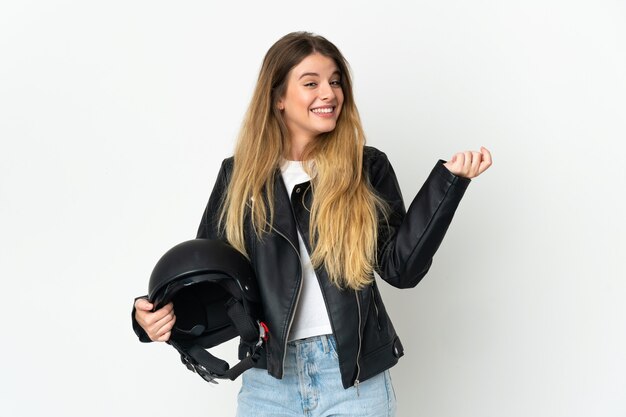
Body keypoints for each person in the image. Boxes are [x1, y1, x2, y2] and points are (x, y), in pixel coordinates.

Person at [132, 31, 492, 417]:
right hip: (269, 381)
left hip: (353, 382)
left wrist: (448, 184)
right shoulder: (238, 178)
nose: (330, 93)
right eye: (311, 83)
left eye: (335, 81)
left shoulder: (365, 168)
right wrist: (149, 318)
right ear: (279, 98)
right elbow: (210, 282)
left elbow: (401, 269)